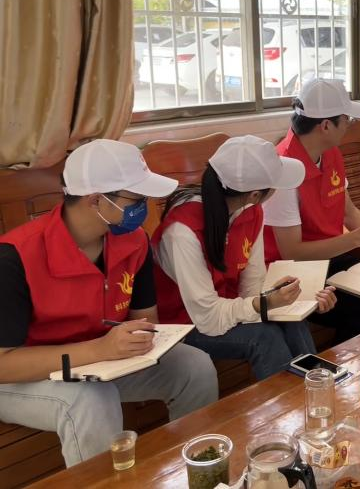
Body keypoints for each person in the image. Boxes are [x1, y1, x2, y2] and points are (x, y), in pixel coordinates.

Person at [0, 139, 218, 467]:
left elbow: (145, 319)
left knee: (194, 367)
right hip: (24, 378)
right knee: (89, 399)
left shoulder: (133, 242)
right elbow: (4, 364)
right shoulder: (15, 257)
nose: (144, 207)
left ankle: (196, 470)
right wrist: (99, 350)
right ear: (95, 200)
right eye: (136, 199)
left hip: (101, 361)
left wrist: (140, 337)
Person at [153, 135, 337, 380]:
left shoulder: (250, 211)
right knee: (264, 337)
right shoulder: (182, 232)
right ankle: (292, 401)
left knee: (292, 321)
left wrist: (296, 297)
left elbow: (252, 287)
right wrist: (265, 304)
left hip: (226, 308)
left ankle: (320, 386)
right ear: (254, 194)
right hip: (186, 323)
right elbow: (208, 318)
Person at [264, 78, 360, 343]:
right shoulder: (283, 170)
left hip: (331, 258)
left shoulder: (330, 153)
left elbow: (348, 211)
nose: (349, 125)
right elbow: (292, 253)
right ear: (325, 125)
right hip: (294, 274)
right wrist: (358, 238)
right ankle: (347, 365)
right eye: (347, 119)